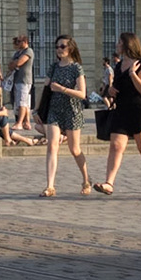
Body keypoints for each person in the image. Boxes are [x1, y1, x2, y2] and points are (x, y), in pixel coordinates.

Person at [93, 31, 141, 196]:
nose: (117, 45)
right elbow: (115, 86)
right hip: (121, 110)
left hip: (138, 111)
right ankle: (109, 183)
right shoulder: (118, 65)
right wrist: (111, 89)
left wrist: (132, 74)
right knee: (116, 146)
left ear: (127, 44)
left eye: (119, 42)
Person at [41, 35, 92, 198]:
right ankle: (50, 186)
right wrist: (36, 110)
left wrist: (62, 89)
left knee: (74, 149)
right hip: (54, 110)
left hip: (72, 110)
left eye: (62, 46)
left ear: (70, 48)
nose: (59, 49)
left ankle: (85, 180)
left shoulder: (77, 68)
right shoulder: (54, 67)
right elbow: (45, 88)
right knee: (52, 146)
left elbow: (82, 94)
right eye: (57, 47)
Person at [6, 34, 38, 142]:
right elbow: (10, 65)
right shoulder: (18, 53)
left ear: (25, 42)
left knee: (22, 102)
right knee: (25, 102)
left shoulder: (28, 51)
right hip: (17, 79)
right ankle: (27, 122)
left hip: (24, 80)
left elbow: (19, 62)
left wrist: (15, 63)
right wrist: (14, 64)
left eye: (19, 41)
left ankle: (19, 123)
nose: (17, 43)